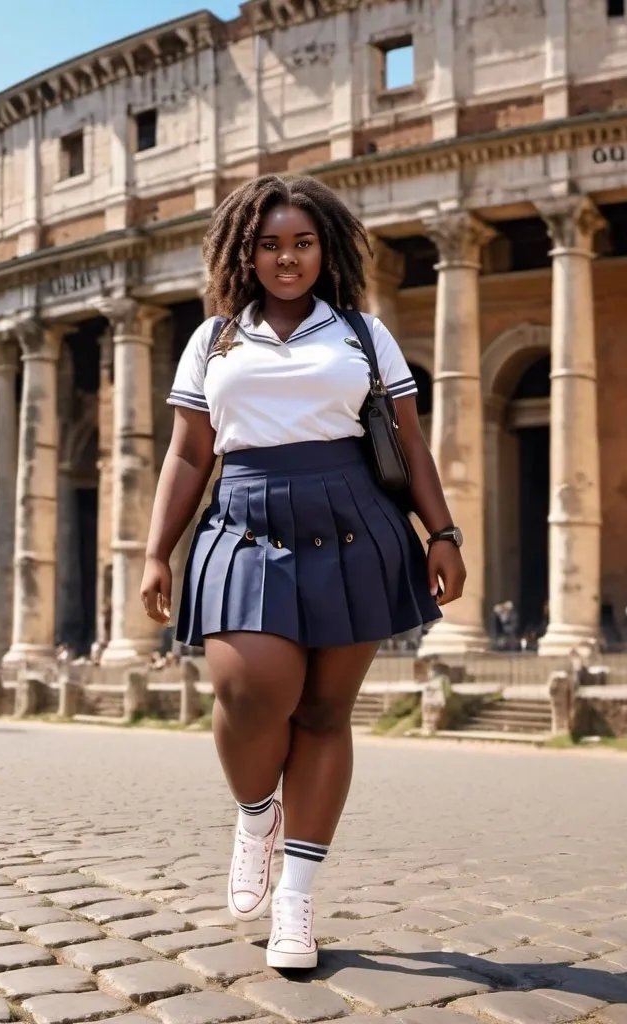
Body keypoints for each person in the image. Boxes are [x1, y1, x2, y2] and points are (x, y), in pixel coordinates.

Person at [139, 175, 465, 970]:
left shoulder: (362, 331)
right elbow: (189, 451)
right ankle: (256, 818)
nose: (287, 258)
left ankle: (296, 901)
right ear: (245, 252)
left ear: (326, 249)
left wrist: (443, 531)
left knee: (323, 714)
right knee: (249, 691)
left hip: (353, 519)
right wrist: (157, 548)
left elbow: (410, 444)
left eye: (303, 243)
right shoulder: (213, 337)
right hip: (243, 515)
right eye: (271, 244)